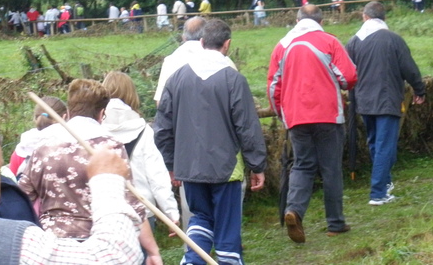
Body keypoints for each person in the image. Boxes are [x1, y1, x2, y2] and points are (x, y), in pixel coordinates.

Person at [155, 19, 267, 265]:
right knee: (227, 228)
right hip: (225, 169)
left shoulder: (176, 79)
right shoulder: (234, 80)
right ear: (227, 44)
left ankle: (193, 260)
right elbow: (247, 128)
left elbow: (162, 128)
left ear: (201, 42)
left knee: (201, 217)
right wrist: (257, 165)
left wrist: (172, 163)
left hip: (190, 168)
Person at [18, 79, 160, 261]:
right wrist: (152, 250)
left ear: (68, 112)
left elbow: (23, 196)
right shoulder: (109, 148)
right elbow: (131, 203)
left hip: (54, 247)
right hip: (100, 246)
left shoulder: (44, 147)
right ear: (102, 114)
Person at [267, 4, 357, 243]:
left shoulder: (281, 46)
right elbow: (348, 77)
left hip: (296, 116)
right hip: (328, 114)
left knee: (302, 165)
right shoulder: (329, 41)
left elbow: (274, 87)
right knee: (330, 168)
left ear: (297, 20)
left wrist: (281, 113)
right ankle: (335, 223)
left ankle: (294, 210)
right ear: (321, 21)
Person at [0, 135, 145, 265]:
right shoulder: (6, 240)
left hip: (53, 235)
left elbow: (26, 190)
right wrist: (107, 180)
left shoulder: (43, 149)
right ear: (102, 113)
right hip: (89, 239)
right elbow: (116, 257)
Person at [346, 1, 425, 205]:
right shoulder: (393, 39)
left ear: (365, 17)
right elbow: (409, 68)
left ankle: (384, 182)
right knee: (384, 145)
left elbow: (346, 72)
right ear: (385, 18)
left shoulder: (353, 42)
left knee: (374, 143)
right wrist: (419, 89)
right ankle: (378, 192)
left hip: (363, 100)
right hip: (387, 98)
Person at [101, 72, 180, 229]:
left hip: (106, 211)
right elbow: (157, 176)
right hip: (141, 210)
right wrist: (171, 213)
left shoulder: (95, 130)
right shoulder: (143, 131)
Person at [9, 96, 67, 177]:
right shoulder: (70, 147)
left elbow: (13, 181)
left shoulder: (22, 148)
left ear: (35, 118)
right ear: (64, 117)